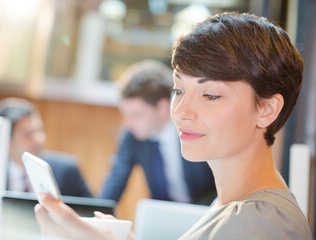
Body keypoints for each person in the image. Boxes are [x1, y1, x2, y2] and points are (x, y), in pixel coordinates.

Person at [34, 12, 312, 239]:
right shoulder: (233, 205)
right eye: (178, 91)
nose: (180, 112)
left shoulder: (259, 223)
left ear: (266, 109)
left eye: (210, 95)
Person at [101, 59, 216, 204]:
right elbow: (115, 181)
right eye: (126, 115)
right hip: (161, 216)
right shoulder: (132, 135)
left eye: (136, 115)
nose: (128, 123)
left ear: (162, 107)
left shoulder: (196, 129)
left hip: (203, 215)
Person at [0, 97, 91, 197]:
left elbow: (89, 211)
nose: (38, 140)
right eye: (27, 134)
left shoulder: (67, 172)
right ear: (6, 140)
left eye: (39, 130)